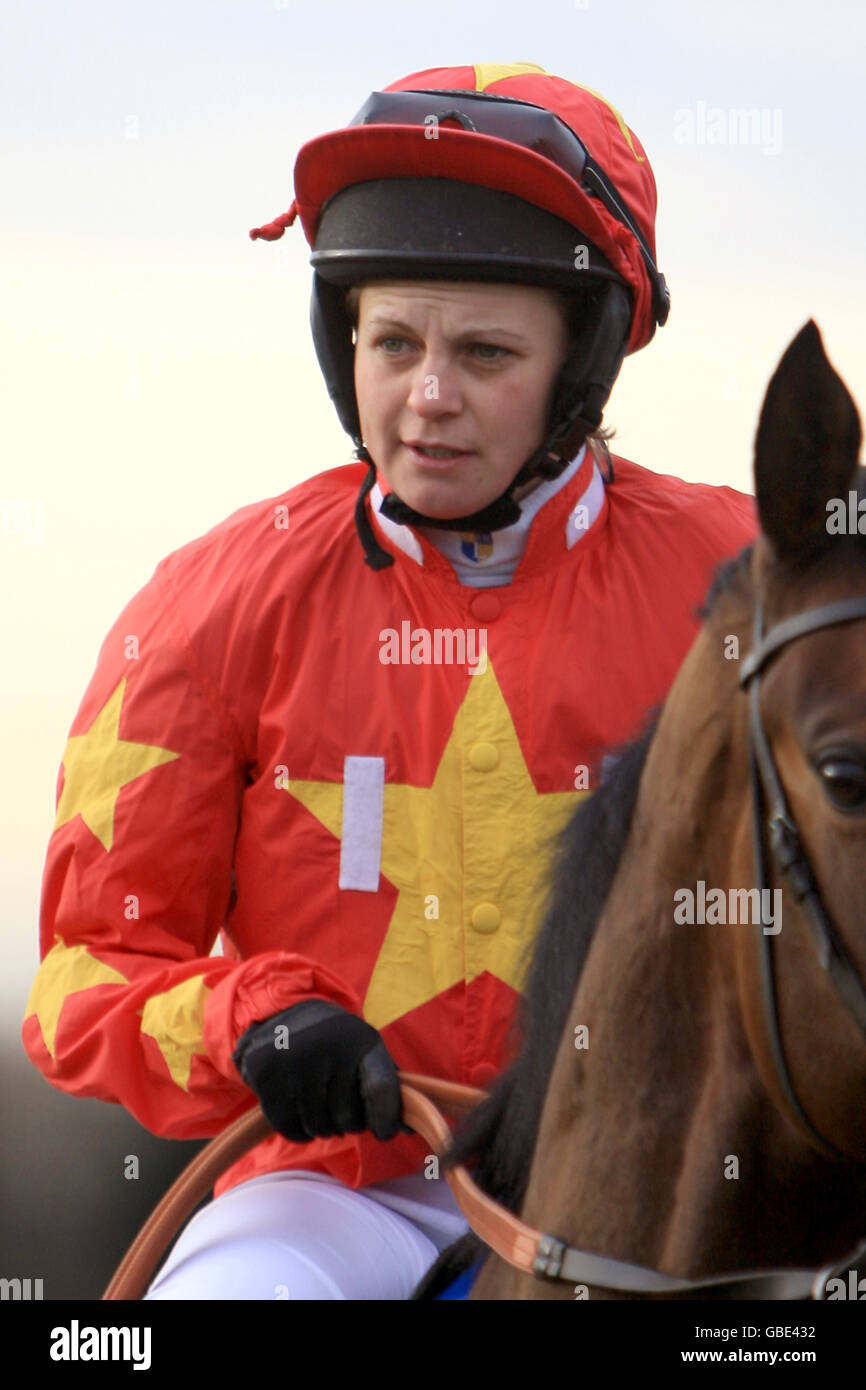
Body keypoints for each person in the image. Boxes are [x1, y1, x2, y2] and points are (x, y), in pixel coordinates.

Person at [22, 61, 757, 1299]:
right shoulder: (208, 603)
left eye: (483, 353)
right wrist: (250, 1023)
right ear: (340, 342)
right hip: (324, 1198)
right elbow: (81, 975)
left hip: (657, 1188)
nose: (426, 400)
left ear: (582, 369)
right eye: (392, 342)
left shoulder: (743, 583)